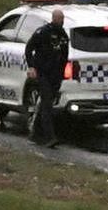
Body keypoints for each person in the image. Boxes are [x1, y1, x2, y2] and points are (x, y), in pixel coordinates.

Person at [24, 8, 72, 147]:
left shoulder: (63, 35)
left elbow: (64, 55)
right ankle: (49, 136)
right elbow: (29, 48)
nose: (61, 22)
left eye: (63, 19)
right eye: (59, 19)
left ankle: (35, 134)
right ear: (54, 18)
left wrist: (62, 73)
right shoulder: (43, 32)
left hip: (56, 75)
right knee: (46, 104)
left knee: (48, 103)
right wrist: (32, 66)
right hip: (43, 73)